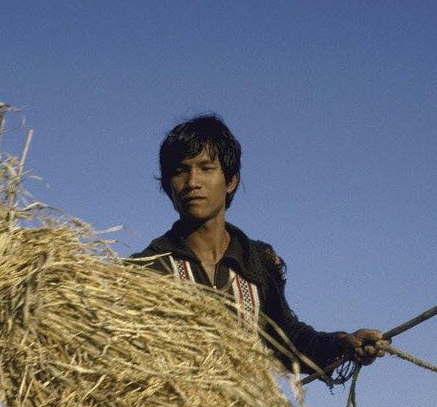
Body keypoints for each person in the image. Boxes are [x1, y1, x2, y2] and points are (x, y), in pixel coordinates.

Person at [134, 114, 387, 381]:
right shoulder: (146, 270)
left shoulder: (258, 263)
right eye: (180, 171)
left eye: (206, 168)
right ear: (167, 186)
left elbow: (287, 341)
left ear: (230, 180)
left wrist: (342, 344)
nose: (192, 182)